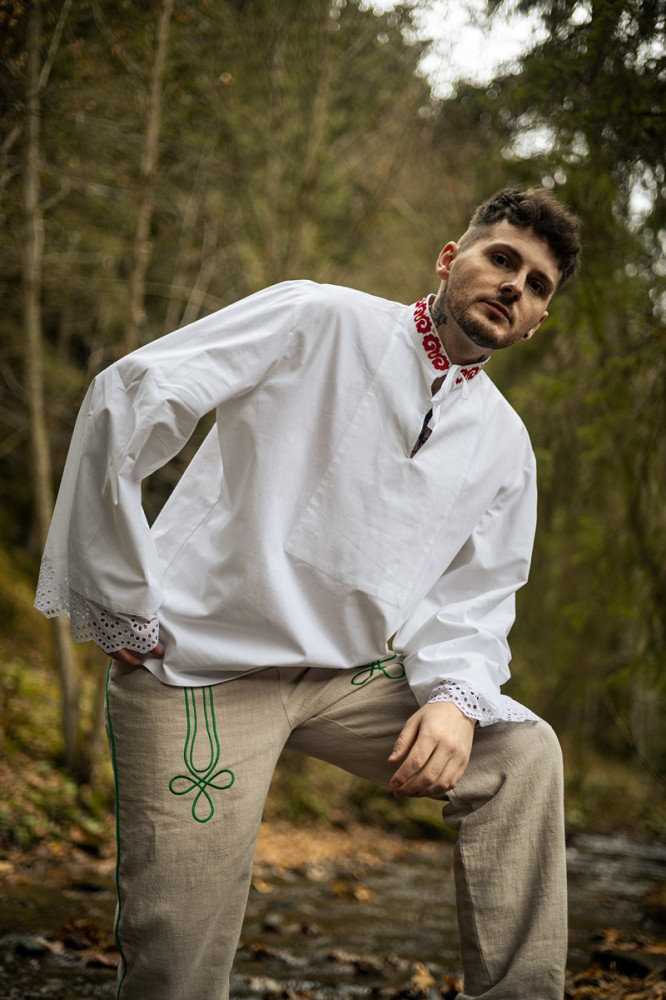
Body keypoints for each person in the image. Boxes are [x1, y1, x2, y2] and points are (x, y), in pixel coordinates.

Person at [35, 186, 581, 1000]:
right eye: (502, 259)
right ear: (449, 258)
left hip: (348, 681)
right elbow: (134, 392)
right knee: (177, 957)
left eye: (537, 285)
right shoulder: (320, 318)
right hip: (197, 667)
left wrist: (454, 698)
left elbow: (477, 596)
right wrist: (119, 597)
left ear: (537, 321)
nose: (514, 286)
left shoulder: (507, 445)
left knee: (523, 754)